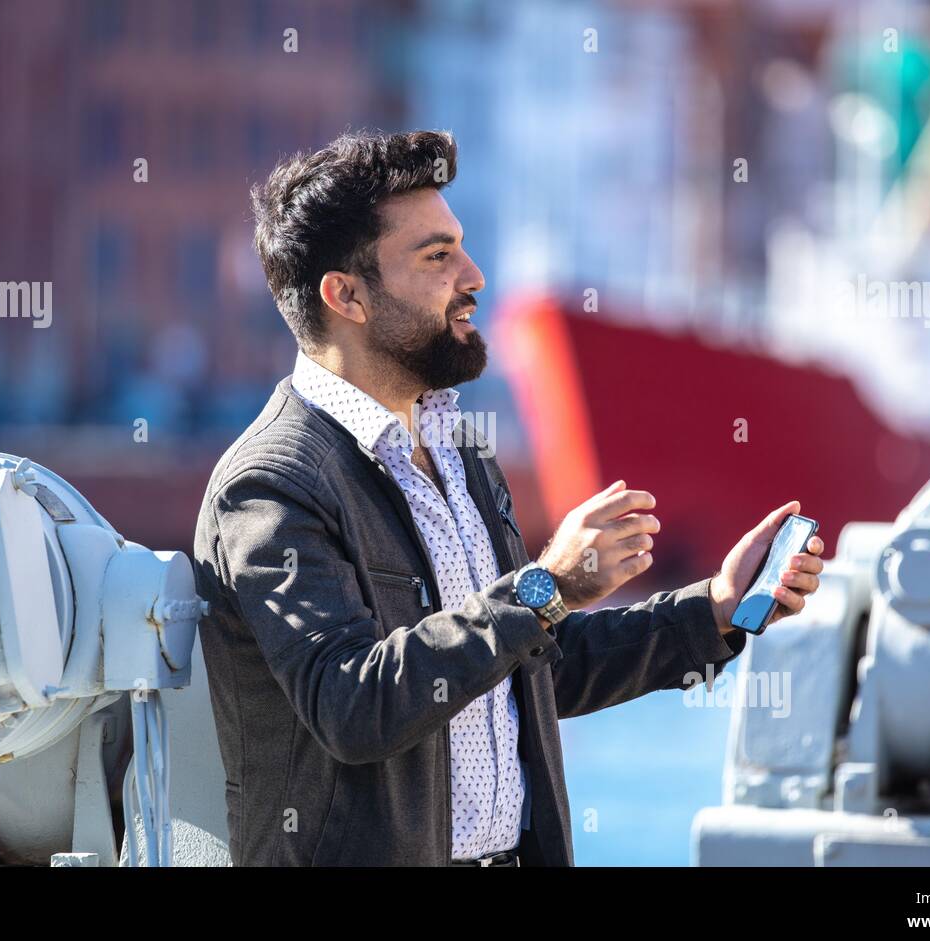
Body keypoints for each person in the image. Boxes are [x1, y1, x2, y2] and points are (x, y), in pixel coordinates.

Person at [192, 129, 824, 866]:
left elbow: (526, 667)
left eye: (459, 246)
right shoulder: (270, 487)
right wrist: (545, 587)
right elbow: (354, 706)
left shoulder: (457, 449)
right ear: (346, 296)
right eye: (437, 256)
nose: (474, 274)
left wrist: (713, 609)